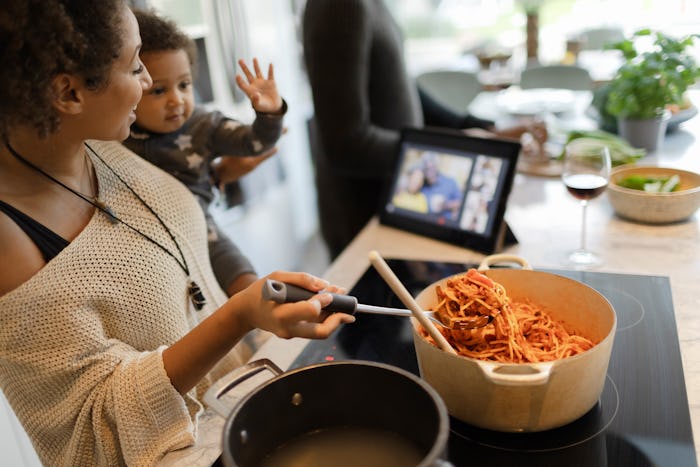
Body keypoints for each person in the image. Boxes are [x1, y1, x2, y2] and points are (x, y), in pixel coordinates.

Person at [0, 2, 354, 466]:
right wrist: (238, 316)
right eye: (135, 66)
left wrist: (219, 178)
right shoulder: (11, 236)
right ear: (68, 92)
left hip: (239, 412)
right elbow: (93, 425)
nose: (147, 81)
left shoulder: (105, 143)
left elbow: (163, 234)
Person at [302, 0, 547, 258]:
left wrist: (488, 129)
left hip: (399, 205)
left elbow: (402, 89)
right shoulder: (337, 7)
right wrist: (462, 143)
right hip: (364, 218)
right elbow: (346, 145)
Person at [124, 8, 287, 297]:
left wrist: (269, 113)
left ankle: (261, 320)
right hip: (142, 245)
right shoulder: (118, 134)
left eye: (184, 85)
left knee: (241, 274)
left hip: (200, 229)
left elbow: (256, 143)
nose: (177, 100)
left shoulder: (204, 125)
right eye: (159, 91)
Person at [420, 152, 462, 220]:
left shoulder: (450, 182)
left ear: (436, 166)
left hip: (446, 223)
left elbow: (461, 202)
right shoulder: (422, 185)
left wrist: (446, 205)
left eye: (432, 167)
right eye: (426, 168)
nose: (429, 171)